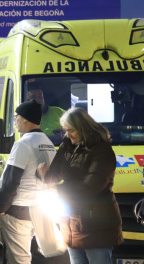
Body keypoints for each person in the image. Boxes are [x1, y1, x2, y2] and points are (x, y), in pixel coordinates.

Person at [37, 107, 123, 264]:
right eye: (65, 130)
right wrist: (45, 176)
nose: (67, 135)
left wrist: (57, 190)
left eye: (71, 130)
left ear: (83, 128)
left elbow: (92, 186)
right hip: (71, 221)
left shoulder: (102, 150)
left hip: (95, 222)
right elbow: (55, 173)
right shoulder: (67, 146)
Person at [0, 100, 57, 264]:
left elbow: (11, 179)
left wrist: (1, 207)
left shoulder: (23, 143)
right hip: (41, 209)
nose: (15, 122)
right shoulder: (48, 144)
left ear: (26, 119)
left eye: (16, 118)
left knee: (19, 259)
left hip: (19, 209)